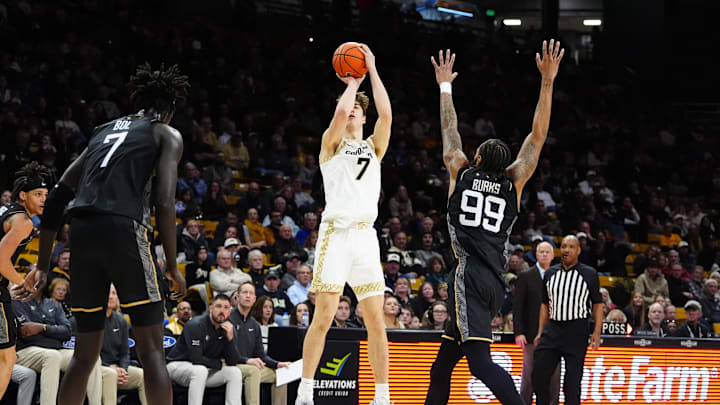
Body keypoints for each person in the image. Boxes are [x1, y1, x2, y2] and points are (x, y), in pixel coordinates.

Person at [20, 64, 189, 405]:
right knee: (152, 349)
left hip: (81, 231)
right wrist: (171, 266)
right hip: (124, 228)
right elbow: (165, 200)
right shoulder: (165, 134)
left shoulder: (102, 131)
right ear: (168, 110)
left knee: (84, 354)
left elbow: (57, 195)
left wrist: (42, 264)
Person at [426, 40, 564, 405]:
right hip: (494, 282)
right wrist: (547, 81)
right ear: (504, 166)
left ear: (476, 157)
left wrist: (445, 84)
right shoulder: (514, 182)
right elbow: (537, 136)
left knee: (480, 365)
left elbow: (449, 129)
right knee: (441, 368)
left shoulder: (459, 168)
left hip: (469, 277)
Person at [297, 44, 393, 405]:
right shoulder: (330, 144)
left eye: (357, 109)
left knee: (376, 320)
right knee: (323, 316)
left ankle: (382, 396)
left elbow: (386, 114)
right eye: (349, 106)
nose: (352, 110)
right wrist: (351, 84)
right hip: (335, 235)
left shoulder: (374, 146)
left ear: (363, 117)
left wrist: (372, 68)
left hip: (365, 238)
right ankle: (306, 391)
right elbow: (338, 114)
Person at [533, 236, 603, 405]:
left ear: (578, 250)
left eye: (571, 247)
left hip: (576, 330)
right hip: (553, 328)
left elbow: (598, 305)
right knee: (538, 375)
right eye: (564, 246)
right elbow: (544, 304)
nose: (566, 250)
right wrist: (540, 332)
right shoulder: (550, 273)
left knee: (571, 384)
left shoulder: (589, 273)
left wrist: (596, 332)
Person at [0, 162, 49, 400]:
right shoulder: (24, 222)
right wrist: (22, 283)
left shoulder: (5, 211)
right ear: (22, 195)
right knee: (6, 358)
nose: (43, 199)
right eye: (38, 194)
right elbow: (0, 260)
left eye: (46, 195)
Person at [166, 294, 244, 405]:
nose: (222, 311)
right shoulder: (196, 325)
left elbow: (232, 361)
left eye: (226, 307)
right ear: (211, 308)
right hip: (177, 365)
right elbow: (196, 358)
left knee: (234, 372)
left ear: (230, 312)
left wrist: (230, 339)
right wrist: (219, 364)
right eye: (218, 306)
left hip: (205, 368)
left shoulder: (228, 329)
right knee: (200, 370)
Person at [513, 241, 560, 405]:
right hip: (531, 335)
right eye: (541, 252)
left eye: (547, 252)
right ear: (536, 254)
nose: (545, 254)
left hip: (555, 336)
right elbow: (517, 307)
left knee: (554, 378)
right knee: (529, 376)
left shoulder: (560, 276)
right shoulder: (526, 276)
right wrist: (519, 332)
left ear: (553, 256)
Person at [230, 282, 290, 405]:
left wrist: (278, 364)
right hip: (233, 365)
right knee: (253, 371)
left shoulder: (254, 325)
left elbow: (261, 355)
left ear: (254, 299)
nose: (247, 296)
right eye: (244, 292)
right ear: (237, 296)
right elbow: (227, 352)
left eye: (251, 293)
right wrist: (247, 360)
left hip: (250, 366)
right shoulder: (228, 318)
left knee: (282, 375)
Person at [100, 284, 147, 405]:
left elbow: (125, 352)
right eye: (108, 293)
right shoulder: (90, 320)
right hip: (96, 368)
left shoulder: (121, 321)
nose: (111, 297)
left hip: (117, 368)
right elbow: (88, 353)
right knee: (110, 375)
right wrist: (109, 367)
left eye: (114, 294)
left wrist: (123, 369)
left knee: (142, 376)